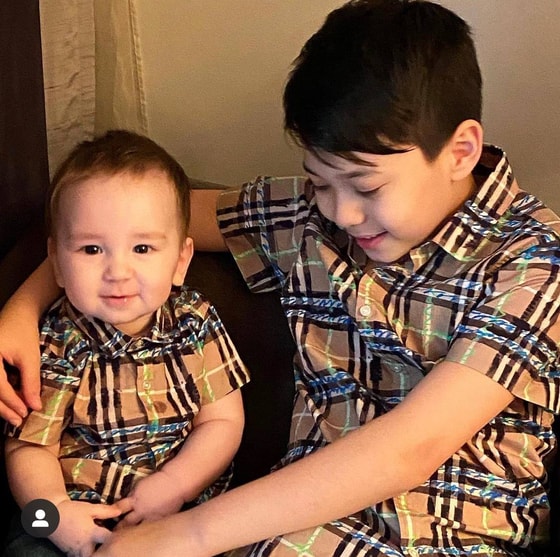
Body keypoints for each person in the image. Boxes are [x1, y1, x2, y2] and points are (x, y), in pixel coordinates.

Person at [1, 0, 559, 555]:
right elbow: (127, 225)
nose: (342, 212)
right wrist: (22, 309)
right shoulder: (305, 218)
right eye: (320, 181)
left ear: (461, 152)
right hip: (293, 529)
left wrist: (185, 536)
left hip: (455, 534)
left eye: (366, 186)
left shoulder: (533, 262)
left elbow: (410, 449)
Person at [1, 130, 249, 557]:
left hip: (180, 514)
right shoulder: (56, 340)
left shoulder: (196, 322)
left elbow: (222, 422)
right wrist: (55, 511)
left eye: (142, 248)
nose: (118, 271)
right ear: (57, 263)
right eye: (92, 249)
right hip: (75, 514)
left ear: (181, 260)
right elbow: (29, 448)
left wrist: (176, 485)